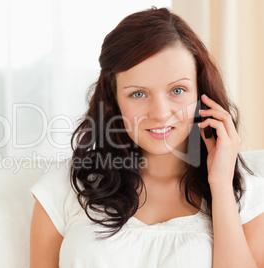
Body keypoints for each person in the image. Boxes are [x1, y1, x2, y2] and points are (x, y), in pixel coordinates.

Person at [30, 7, 264, 268]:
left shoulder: (248, 196)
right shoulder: (66, 187)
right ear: (114, 100)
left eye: (177, 90)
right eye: (138, 94)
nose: (160, 113)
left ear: (201, 94)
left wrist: (220, 184)